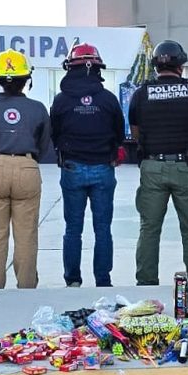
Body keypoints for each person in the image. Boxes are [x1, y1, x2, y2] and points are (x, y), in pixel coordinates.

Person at [128, 40, 188, 286]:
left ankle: (146, 281)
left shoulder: (141, 94)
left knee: (149, 228)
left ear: (156, 66)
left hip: (153, 167)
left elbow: (136, 133)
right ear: (181, 66)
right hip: (186, 167)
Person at [0, 49, 51, 289]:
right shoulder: (38, 108)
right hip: (27, 166)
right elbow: (44, 143)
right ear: (26, 79)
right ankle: (26, 287)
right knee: (26, 234)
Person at [50, 43, 125, 288]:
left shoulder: (61, 101)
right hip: (103, 168)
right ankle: (103, 280)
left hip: (72, 168)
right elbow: (119, 134)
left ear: (70, 68)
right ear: (97, 68)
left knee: (73, 229)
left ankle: (72, 280)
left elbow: (54, 134)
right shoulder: (108, 99)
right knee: (103, 229)